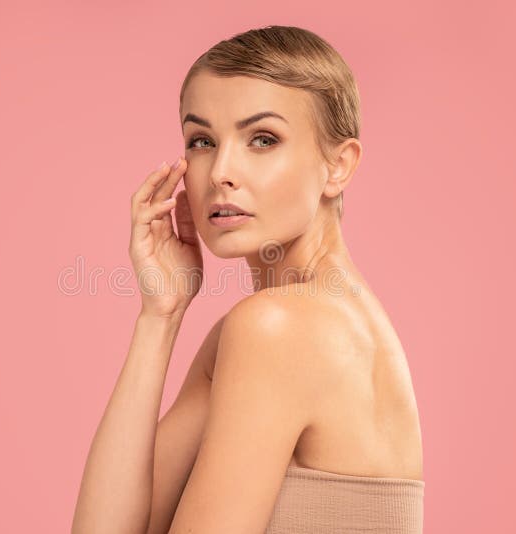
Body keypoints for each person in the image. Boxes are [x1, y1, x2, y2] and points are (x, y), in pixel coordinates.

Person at [71, 25, 424, 534]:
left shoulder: (278, 327)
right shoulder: (323, 320)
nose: (220, 172)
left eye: (263, 139)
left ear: (338, 166)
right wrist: (160, 316)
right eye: (202, 141)